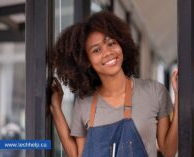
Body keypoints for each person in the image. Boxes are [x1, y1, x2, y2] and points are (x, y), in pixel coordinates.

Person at [50, 11, 178, 157]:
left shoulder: (154, 91)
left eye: (111, 43)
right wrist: (56, 109)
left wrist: (180, 97)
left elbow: (168, 152)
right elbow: (77, 155)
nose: (108, 52)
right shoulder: (84, 102)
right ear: (86, 61)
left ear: (122, 44)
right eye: (96, 50)